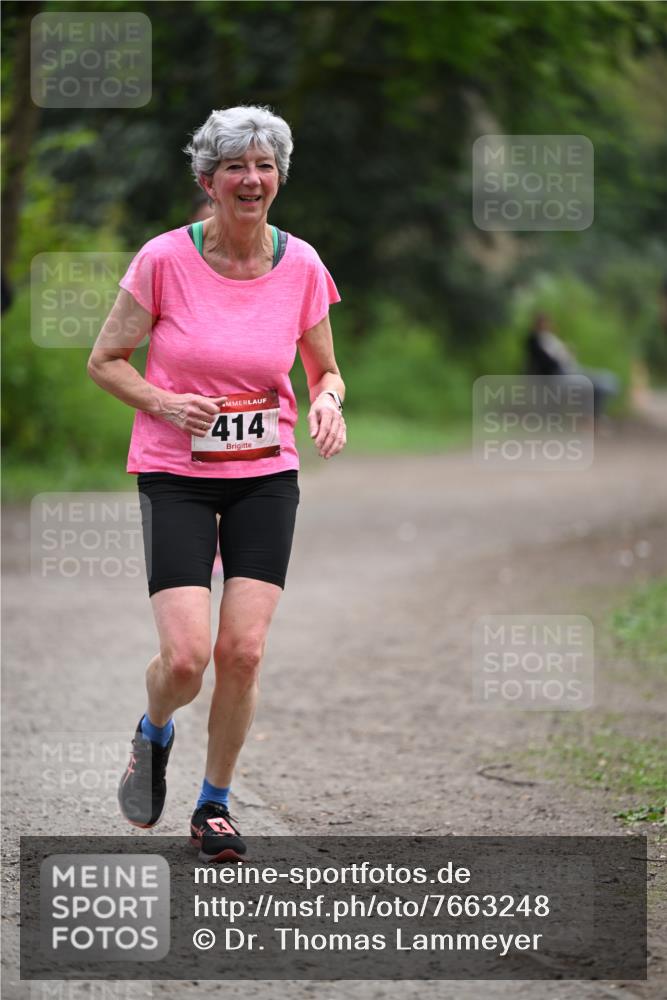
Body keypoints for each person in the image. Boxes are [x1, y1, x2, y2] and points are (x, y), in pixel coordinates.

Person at [87, 106, 346, 862]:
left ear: (278, 179)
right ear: (208, 180)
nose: (251, 179)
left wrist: (327, 400)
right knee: (185, 661)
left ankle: (214, 804)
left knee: (243, 651)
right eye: (235, 166)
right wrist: (166, 402)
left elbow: (324, 368)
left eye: (264, 166)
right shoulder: (164, 260)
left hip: (265, 477)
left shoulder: (300, 265)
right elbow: (105, 361)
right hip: (177, 475)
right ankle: (154, 730)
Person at [525, 312, 619, 420]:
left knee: (606, 380)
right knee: (593, 385)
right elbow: (548, 363)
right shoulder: (535, 341)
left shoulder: (552, 339)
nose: (546, 326)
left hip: (572, 371)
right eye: (543, 323)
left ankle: (591, 416)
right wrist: (562, 356)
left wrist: (566, 354)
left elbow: (564, 358)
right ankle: (591, 418)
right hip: (559, 376)